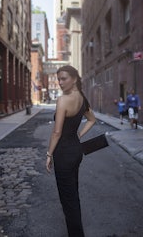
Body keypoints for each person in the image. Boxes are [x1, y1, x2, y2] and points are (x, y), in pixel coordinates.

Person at [46, 65, 96, 237]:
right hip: (76, 152)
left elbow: (57, 132)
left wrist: (49, 154)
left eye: (64, 78)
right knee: (72, 194)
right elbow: (92, 120)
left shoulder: (63, 100)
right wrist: (78, 135)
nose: (60, 82)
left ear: (74, 78)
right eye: (58, 79)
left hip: (64, 154)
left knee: (68, 200)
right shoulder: (82, 98)